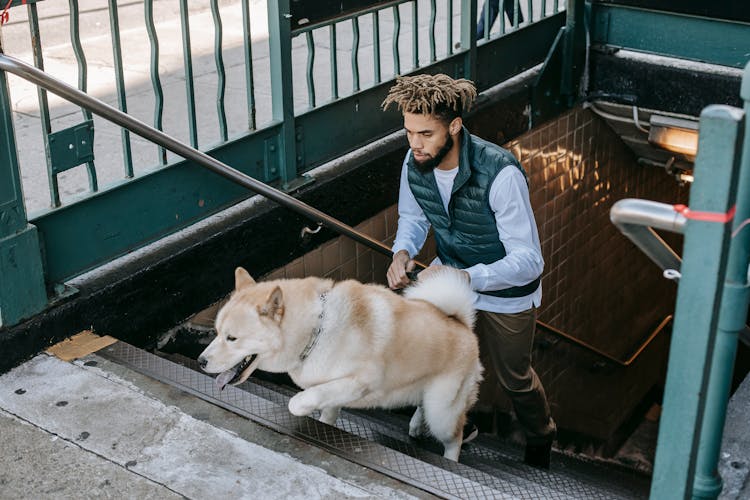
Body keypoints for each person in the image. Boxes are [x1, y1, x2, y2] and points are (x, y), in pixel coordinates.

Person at [381, 73, 555, 468]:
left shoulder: (501, 173)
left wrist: (469, 277)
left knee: (516, 379)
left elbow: (529, 261)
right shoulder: (414, 160)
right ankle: (462, 423)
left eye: (425, 133)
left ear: (455, 126)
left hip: (506, 292)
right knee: (432, 355)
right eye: (409, 132)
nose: (415, 144)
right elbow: (413, 217)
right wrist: (401, 253)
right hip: (452, 276)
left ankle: (542, 438)